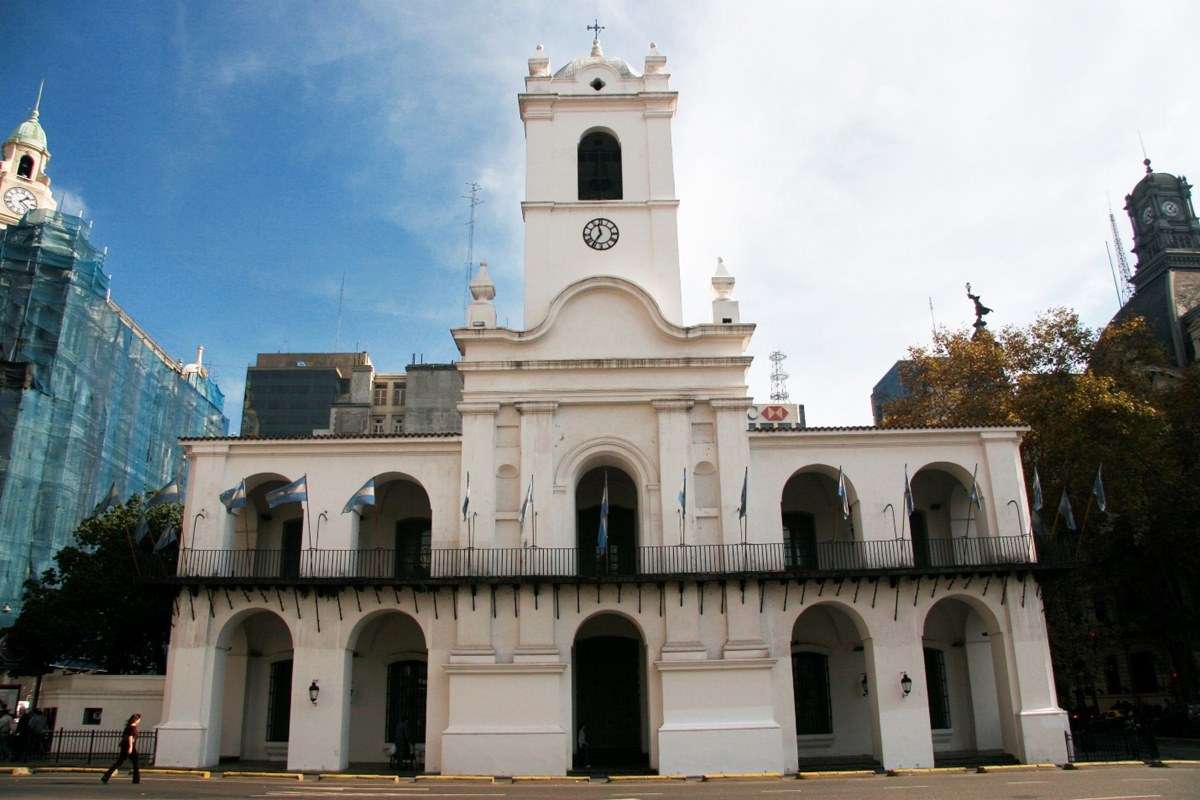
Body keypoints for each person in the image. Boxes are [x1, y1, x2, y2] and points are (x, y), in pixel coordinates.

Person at [101, 713, 140, 784]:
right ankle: (136, 780)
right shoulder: (132, 727)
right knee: (136, 762)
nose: (139, 721)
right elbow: (130, 737)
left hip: (124, 746)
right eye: (139, 720)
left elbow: (125, 736)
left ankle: (106, 776)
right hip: (130, 747)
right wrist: (131, 747)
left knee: (119, 762)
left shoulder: (128, 727)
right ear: (136, 720)